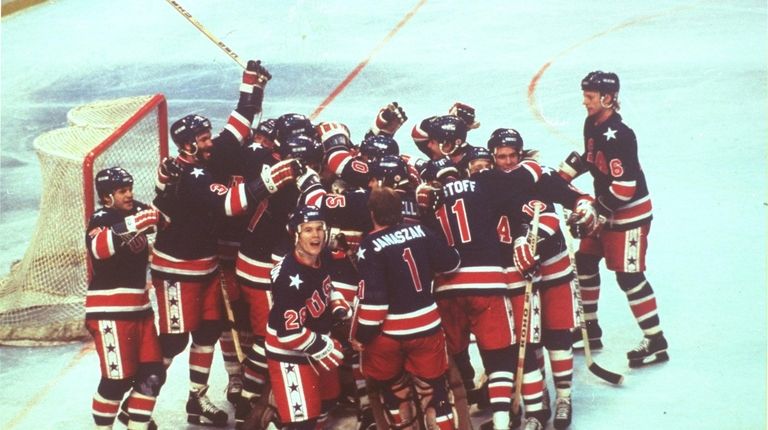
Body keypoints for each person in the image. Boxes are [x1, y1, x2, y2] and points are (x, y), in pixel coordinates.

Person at [151, 59, 304, 427]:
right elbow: (229, 203)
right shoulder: (188, 174)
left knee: (206, 333)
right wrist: (269, 180)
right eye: (203, 140)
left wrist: (252, 85)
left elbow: (239, 122)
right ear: (188, 146)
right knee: (173, 343)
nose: (211, 143)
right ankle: (139, 400)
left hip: (204, 266)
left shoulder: (204, 158)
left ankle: (197, 400)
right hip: (176, 272)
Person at [558, 70, 668, 367]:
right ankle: (589, 330)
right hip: (606, 208)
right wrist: (559, 177)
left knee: (629, 276)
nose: (584, 102)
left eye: (590, 97)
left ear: (607, 98)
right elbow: (590, 157)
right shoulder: (592, 124)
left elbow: (625, 187)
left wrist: (596, 212)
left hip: (628, 215)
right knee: (584, 261)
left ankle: (656, 341)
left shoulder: (621, 135)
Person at [350, 187, 461, 429]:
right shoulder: (421, 230)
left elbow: (375, 305)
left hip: (388, 336)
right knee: (436, 396)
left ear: (372, 213)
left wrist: (361, 336)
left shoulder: (369, 245)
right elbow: (452, 263)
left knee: (394, 392)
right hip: (426, 328)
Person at [85, 167, 164, 430]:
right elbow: (99, 248)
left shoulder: (133, 210)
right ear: (107, 197)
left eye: (130, 189)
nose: (129, 195)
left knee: (153, 374)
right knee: (117, 381)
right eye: (122, 191)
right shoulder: (101, 218)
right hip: (109, 312)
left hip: (140, 309)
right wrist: (134, 224)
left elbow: (161, 220)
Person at [264, 205, 346, 429]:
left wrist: (336, 302)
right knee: (302, 423)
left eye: (320, 228)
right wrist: (324, 345)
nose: (316, 235)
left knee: (328, 402)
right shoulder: (287, 277)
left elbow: (327, 287)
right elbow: (287, 335)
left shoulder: (324, 256)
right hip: (288, 352)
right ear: (296, 234)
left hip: (315, 339)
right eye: (308, 229)